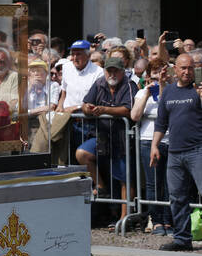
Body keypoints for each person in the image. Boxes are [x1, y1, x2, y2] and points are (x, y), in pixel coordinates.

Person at [75, 57, 138, 214]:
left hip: (123, 137)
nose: (112, 73)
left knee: (125, 178)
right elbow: (84, 105)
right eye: (109, 70)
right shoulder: (99, 83)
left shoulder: (130, 85)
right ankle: (101, 186)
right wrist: (88, 109)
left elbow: (128, 110)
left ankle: (125, 216)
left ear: (122, 71)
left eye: (115, 70)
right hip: (102, 136)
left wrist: (104, 110)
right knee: (82, 153)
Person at [153, 54, 202, 251]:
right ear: (176, 69)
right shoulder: (169, 91)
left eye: (190, 68)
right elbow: (161, 122)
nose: (187, 72)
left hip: (198, 150)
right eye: (183, 68)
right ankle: (182, 240)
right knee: (177, 197)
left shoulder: (198, 91)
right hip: (174, 152)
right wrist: (155, 146)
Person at [131, 58, 172, 236]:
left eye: (160, 72)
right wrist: (147, 94)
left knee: (170, 184)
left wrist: (163, 86)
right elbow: (134, 116)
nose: (157, 76)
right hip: (148, 140)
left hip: (170, 141)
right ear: (148, 76)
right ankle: (156, 220)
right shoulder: (142, 94)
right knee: (153, 184)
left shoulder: (171, 91)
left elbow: (166, 110)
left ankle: (169, 220)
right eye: (153, 73)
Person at [57, 40, 104, 159]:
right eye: (73, 54)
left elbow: (96, 100)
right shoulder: (67, 67)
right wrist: (60, 106)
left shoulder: (98, 72)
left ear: (88, 55)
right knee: (67, 158)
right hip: (66, 121)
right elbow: (64, 91)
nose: (74, 57)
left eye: (78, 54)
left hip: (87, 123)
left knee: (82, 158)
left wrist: (75, 108)